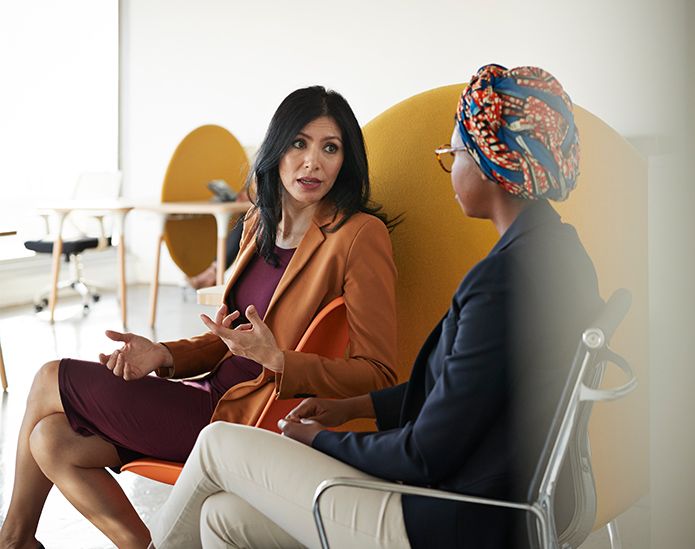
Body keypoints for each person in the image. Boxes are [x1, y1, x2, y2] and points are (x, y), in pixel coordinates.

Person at [148, 64, 604, 549]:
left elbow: (425, 453)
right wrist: (352, 408)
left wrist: (317, 441)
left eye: (455, 152)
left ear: (495, 162)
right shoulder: (559, 254)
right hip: (485, 501)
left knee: (217, 443)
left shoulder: (501, 284)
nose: (450, 165)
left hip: (448, 520)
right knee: (222, 517)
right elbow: (461, 397)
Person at [0, 86, 400, 549]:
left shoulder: (358, 236)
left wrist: (279, 360)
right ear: (277, 148)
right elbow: (225, 338)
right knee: (51, 439)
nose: (312, 162)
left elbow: (379, 374)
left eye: (330, 147)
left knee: (51, 377)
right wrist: (162, 355)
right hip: (208, 394)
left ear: (345, 160)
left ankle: (12, 540)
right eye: (299, 143)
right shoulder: (259, 221)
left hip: (242, 419)